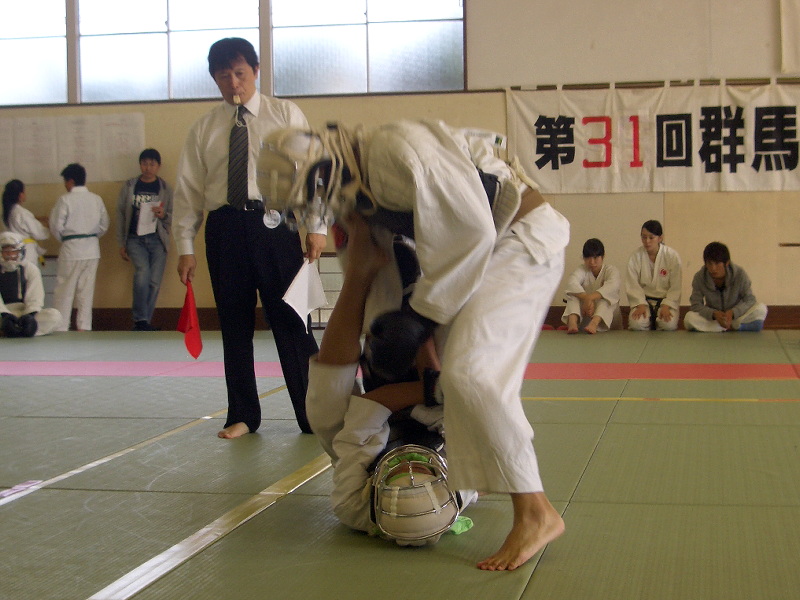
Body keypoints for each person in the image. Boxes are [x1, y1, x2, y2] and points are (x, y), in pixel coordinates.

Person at [259, 119, 569, 570]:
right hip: (488, 251)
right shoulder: (364, 179)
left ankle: (535, 511)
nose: (408, 472)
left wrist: (406, 312)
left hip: (500, 240)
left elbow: (473, 234)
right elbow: (468, 239)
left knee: (338, 410)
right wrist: (420, 333)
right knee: (467, 377)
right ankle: (536, 511)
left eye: (317, 189)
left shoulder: (392, 151)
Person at [172, 37, 326, 439]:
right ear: (215, 78)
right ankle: (242, 414)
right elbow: (188, 191)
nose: (233, 83)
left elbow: (312, 171)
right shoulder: (204, 128)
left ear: (256, 71)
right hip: (224, 228)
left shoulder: (284, 113)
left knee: (292, 320)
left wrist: (317, 227)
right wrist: (185, 247)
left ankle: (313, 413)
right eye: (224, 76)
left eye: (240, 73)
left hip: (276, 223)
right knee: (234, 322)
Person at [307, 213, 474, 544]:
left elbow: (370, 406)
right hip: (435, 417)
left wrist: (424, 386)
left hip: (368, 434)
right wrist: (418, 323)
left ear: (376, 489)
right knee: (465, 391)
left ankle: (360, 274)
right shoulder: (465, 476)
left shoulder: (353, 505)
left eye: (400, 471)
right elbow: (447, 397)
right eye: (420, 468)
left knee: (325, 413)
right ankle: (430, 286)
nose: (409, 463)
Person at [116, 148, 173, 331]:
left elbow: (173, 216)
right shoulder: (130, 186)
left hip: (157, 239)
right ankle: (140, 320)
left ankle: (144, 321)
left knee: (154, 281)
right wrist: (121, 243)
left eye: (152, 164)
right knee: (142, 273)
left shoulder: (165, 188)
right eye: (144, 163)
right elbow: (120, 214)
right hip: (135, 238)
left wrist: (163, 214)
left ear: (158, 166)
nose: (148, 168)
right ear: (140, 165)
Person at [49, 163, 110, 332]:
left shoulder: (65, 200)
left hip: (71, 249)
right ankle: (84, 327)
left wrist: (66, 239)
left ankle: (61, 327)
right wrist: (90, 237)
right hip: (92, 250)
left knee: (65, 290)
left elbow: (56, 226)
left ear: (70, 181)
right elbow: (104, 225)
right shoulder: (96, 199)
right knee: (86, 292)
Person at [684, 241, 768, 332]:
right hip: (714, 319)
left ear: (727, 263)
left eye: (717, 264)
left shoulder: (739, 274)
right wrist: (713, 314)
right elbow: (695, 305)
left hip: (737, 316)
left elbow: (750, 300)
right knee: (689, 318)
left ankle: (729, 326)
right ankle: (731, 327)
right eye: (709, 263)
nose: (713, 268)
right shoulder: (700, 277)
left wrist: (733, 313)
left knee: (761, 308)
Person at [0, 231, 62, 337]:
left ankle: (26, 329)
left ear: (21, 252)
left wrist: (30, 315)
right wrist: (5, 314)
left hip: (23, 311)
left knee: (54, 316)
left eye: (14, 252)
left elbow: (35, 296)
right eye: (7, 252)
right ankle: (10, 328)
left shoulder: (30, 269)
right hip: (2, 314)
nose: (11, 255)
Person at [625, 219, 681, 331]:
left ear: (660, 238)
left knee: (668, 324)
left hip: (666, 301)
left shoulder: (672, 256)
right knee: (636, 324)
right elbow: (632, 285)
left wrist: (667, 305)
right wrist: (640, 304)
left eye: (651, 237)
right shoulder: (635, 257)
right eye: (644, 237)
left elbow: (676, 286)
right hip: (643, 301)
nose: (647, 241)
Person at [561, 237, 621, 334]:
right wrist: (586, 298)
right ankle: (572, 322)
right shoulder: (582, 270)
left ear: (603, 256)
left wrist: (590, 298)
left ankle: (594, 323)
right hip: (586, 315)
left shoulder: (611, 270)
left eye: (595, 257)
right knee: (572, 294)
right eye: (588, 258)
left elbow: (612, 286)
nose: (592, 262)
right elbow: (572, 283)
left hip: (608, 320)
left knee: (607, 298)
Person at [2, 179, 49, 265]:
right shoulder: (22, 213)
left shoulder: (7, 213)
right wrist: (50, 226)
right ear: (20, 195)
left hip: (12, 251)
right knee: (28, 273)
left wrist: (37, 219)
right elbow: (39, 233)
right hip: (26, 252)